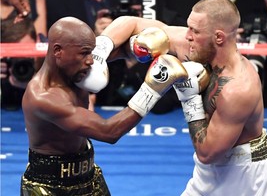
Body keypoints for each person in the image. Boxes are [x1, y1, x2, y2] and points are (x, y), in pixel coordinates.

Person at [100, 0, 267, 195]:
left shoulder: (238, 87)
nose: (187, 35)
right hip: (208, 171)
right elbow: (132, 23)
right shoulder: (192, 45)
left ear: (219, 37)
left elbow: (207, 153)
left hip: (249, 175)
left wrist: (189, 97)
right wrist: (98, 52)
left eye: (195, 31)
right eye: (189, 27)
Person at [20, 16, 188, 195]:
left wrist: (138, 47)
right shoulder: (43, 97)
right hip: (48, 187)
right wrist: (152, 89)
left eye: (91, 53)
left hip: (88, 175)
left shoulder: (76, 66)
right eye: (84, 53)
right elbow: (109, 132)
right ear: (58, 51)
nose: (91, 61)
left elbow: (124, 36)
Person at [0, 14, 37, 110]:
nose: (21, 61)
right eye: (15, 55)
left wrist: (35, 87)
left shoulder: (49, 66)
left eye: (27, 52)